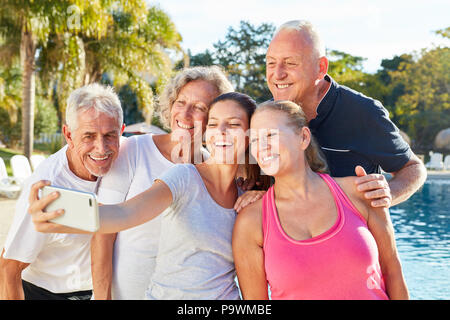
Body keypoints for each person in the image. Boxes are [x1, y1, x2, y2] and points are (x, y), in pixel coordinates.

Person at [30, 92, 268, 300]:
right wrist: (60, 215)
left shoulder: (247, 198)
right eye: (214, 124)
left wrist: (263, 196)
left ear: (250, 136)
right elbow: (125, 213)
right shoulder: (184, 177)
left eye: (234, 124)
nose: (222, 132)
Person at [91, 66, 251, 300]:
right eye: (180, 102)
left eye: (199, 107)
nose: (185, 115)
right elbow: (103, 234)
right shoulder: (134, 150)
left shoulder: (213, 171)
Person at [232, 100, 409, 300]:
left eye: (271, 135)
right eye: (254, 140)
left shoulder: (359, 191)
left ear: (303, 137)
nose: (262, 147)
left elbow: (392, 270)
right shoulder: (251, 222)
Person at [265, 20, 427, 208]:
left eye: (290, 63)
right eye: (271, 63)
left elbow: (413, 168)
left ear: (321, 68)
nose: (277, 74)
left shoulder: (363, 112)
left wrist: (386, 195)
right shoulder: (265, 117)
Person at [0, 83, 125, 300]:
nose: (101, 148)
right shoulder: (46, 187)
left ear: (121, 132)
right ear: (68, 134)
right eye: (88, 136)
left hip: (95, 290)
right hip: (44, 293)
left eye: (109, 135)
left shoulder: (127, 157)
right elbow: (9, 266)